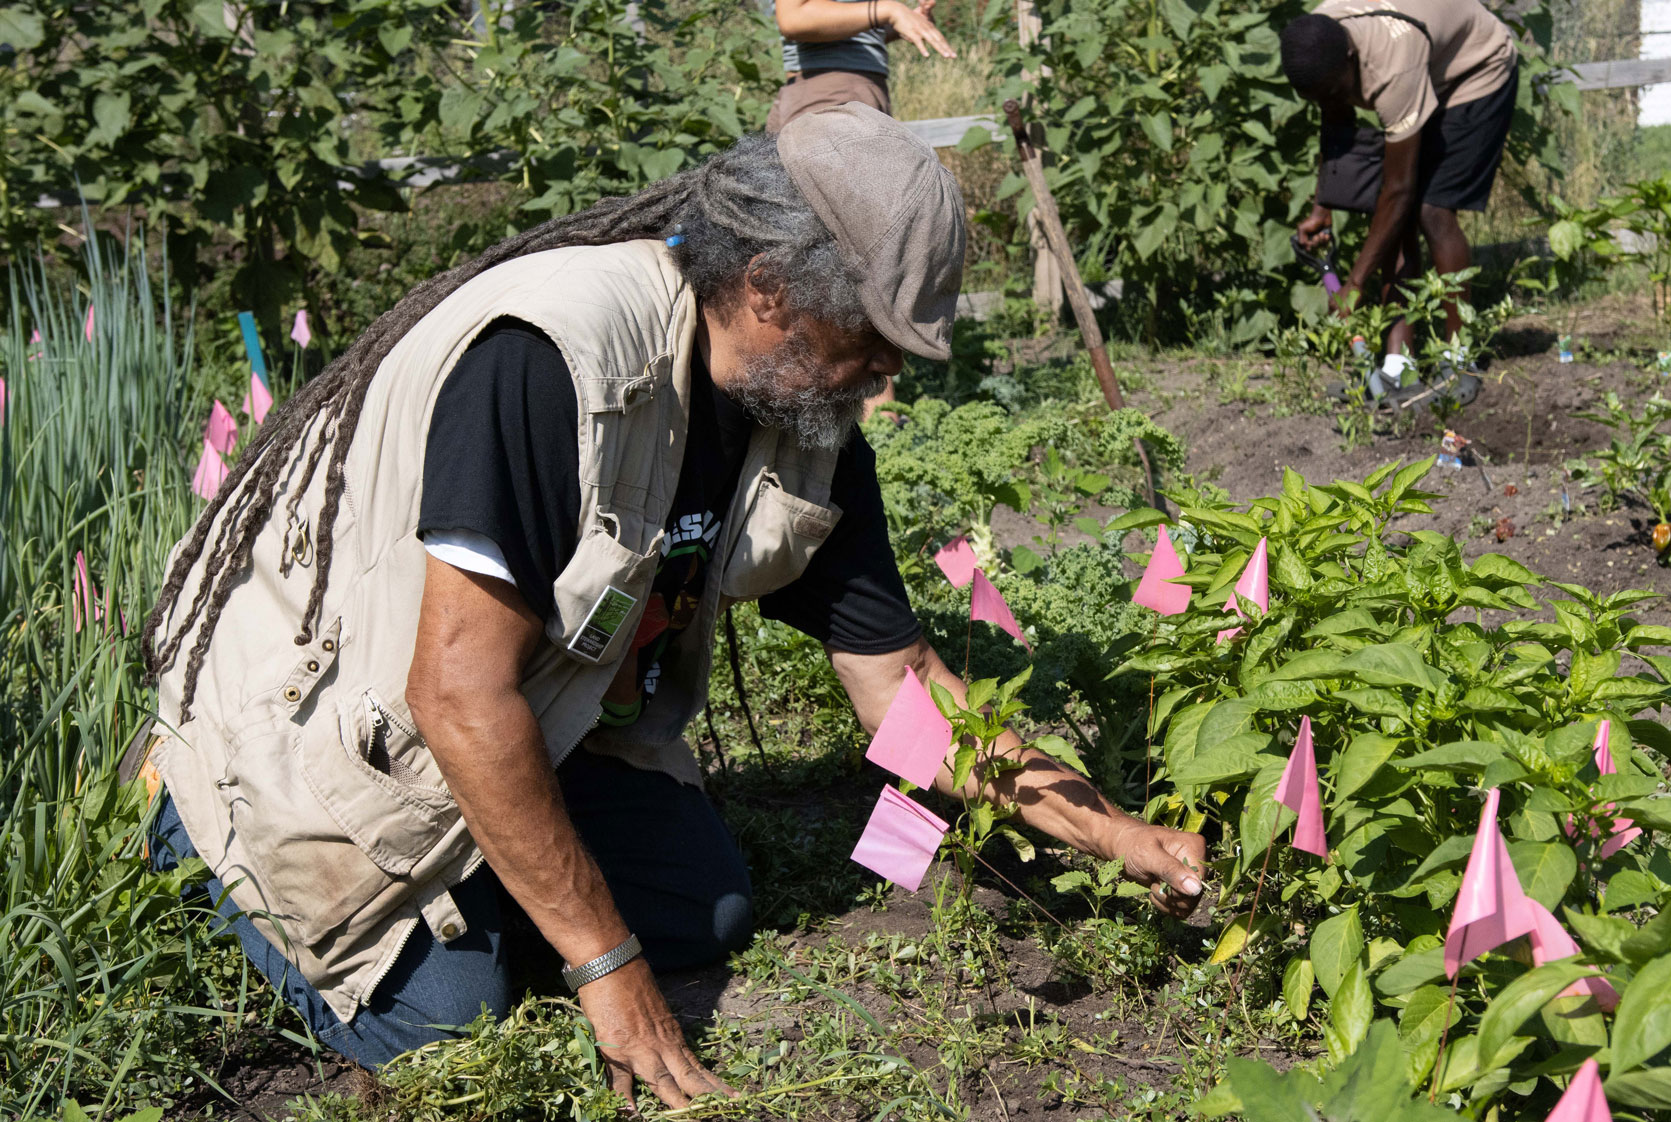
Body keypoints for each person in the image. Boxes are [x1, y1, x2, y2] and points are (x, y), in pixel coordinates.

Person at [132, 108, 1206, 1110]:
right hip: (333, 725)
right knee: (449, 1023)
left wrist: (1110, 834)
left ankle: (500, 880)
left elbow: (905, 690)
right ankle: (195, 838)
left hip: (536, 713)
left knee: (708, 912)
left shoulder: (804, 418)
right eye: (872, 340)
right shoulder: (552, 363)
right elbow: (457, 694)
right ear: (772, 288)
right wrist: (605, 969)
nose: (884, 378)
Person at [1280, 0, 1519, 405]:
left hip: (1476, 69)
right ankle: (1399, 367)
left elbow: (1400, 190)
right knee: (1395, 215)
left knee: (1430, 208)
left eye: (1337, 91)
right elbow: (1335, 117)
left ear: (1352, 59)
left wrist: (1354, 285)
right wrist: (1322, 207)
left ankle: (1460, 360)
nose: (1334, 100)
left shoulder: (1393, 68)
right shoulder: (1322, 38)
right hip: (1427, 62)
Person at [766, 0, 956, 134]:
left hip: (825, 91)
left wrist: (908, 21)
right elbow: (794, 18)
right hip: (831, 94)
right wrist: (889, 10)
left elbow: (854, 33)